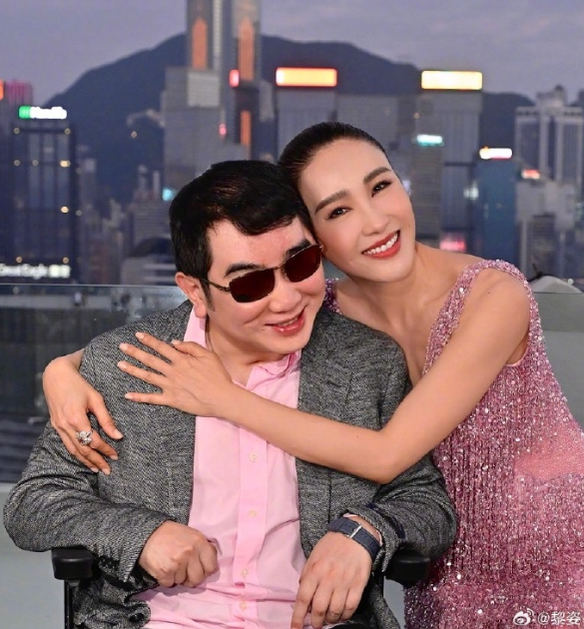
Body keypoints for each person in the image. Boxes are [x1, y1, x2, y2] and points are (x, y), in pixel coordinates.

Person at [44, 122, 584, 627]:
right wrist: (63, 369)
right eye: (339, 210)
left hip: (551, 549)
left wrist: (223, 398)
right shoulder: (313, 305)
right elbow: (201, 314)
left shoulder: (494, 295)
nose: (375, 221)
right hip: (446, 571)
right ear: (314, 235)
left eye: (381, 186)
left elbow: (389, 457)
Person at [4, 160, 455, 629]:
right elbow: (33, 502)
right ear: (196, 292)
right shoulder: (126, 365)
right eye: (250, 284)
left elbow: (426, 502)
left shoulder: (367, 362)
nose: (286, 299)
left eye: (301, 264)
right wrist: (142, 535)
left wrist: (365, 532)